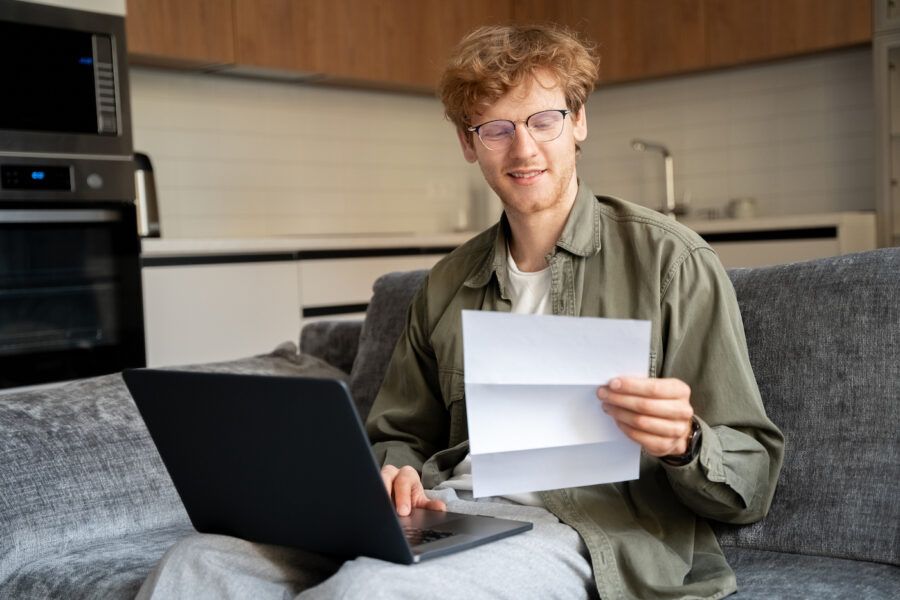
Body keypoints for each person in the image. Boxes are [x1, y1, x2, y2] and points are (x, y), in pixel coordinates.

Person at [137, 24, 783, 600]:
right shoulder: (446, 283)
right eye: (496, 129)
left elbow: (750, 474)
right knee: (197, 566)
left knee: (372, 590)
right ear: (469, 144)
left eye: (544, 121)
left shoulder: (671, 261)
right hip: (452, 512)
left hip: (585, 528)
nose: (523, 150)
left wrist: (685, 442)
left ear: (579, 121)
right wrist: (397, 473)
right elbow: (399, 433)